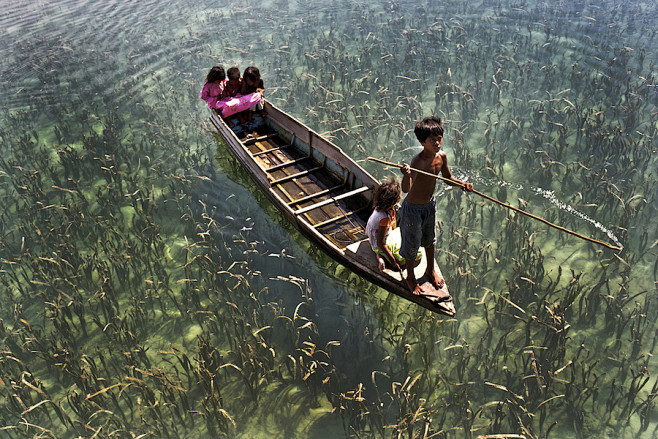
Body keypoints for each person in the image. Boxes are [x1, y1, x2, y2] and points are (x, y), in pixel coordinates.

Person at [399, 115, 473, 295]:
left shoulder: (442, 157)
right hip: (413, 210)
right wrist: (406, 175)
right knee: (412, 244)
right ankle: (410, 277)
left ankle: (430, 270)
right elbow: (406, 189)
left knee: (430, 240)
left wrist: (462, 185)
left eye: (439, 138)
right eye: (432, 140)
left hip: (429, 206)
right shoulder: (418, 162)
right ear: (422, 142)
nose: (437, 143)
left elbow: (448, 179)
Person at [366, 179, 405, 272]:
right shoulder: (384, 218)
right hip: (377, 244)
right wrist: (394, 262)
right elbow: (380, 243)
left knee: (401, 234)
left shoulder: (381, 207)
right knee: (404, 258)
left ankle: (380, 255)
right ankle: (380, 255)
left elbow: (393, 226)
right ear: (394, 200)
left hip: (373, 238)